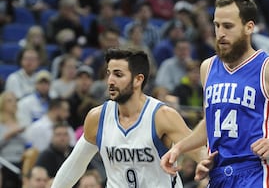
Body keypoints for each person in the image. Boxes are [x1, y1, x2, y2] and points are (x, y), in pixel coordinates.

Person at [160, 0, 269, 188]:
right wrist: (179, 148)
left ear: (249, 27)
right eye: (217, 25)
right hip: (219, 175)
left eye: (228, 26)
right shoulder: (207, 68)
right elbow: (211, 121)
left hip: (257, 173)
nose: (220, 33)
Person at [50, 47, 207, 188]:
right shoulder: (97, 118)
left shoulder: (162, 116)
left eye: (118, 75)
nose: (110, 81)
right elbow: (74, 166)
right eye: (109, 73)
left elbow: (199, 152)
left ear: (138, 79)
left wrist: (208, 164)